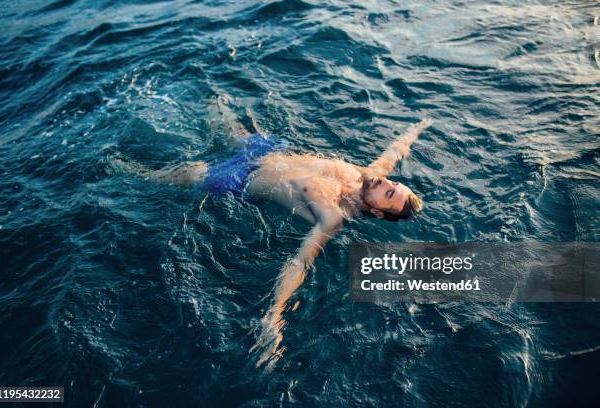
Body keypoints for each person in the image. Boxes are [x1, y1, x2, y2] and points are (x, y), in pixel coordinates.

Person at [109, 97, 432, 368]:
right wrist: (417, 129)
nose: (387, 184)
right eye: (394, 184)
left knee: (181, 174)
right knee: (218, 109)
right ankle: (204, 91)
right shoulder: (369, 176)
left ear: (376, 211)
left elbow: (301, 262)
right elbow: (395, 152)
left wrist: (274, 315)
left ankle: (121, 169)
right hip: (265, 150)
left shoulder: (332, 216)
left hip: (238, 180)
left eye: (389, 193)